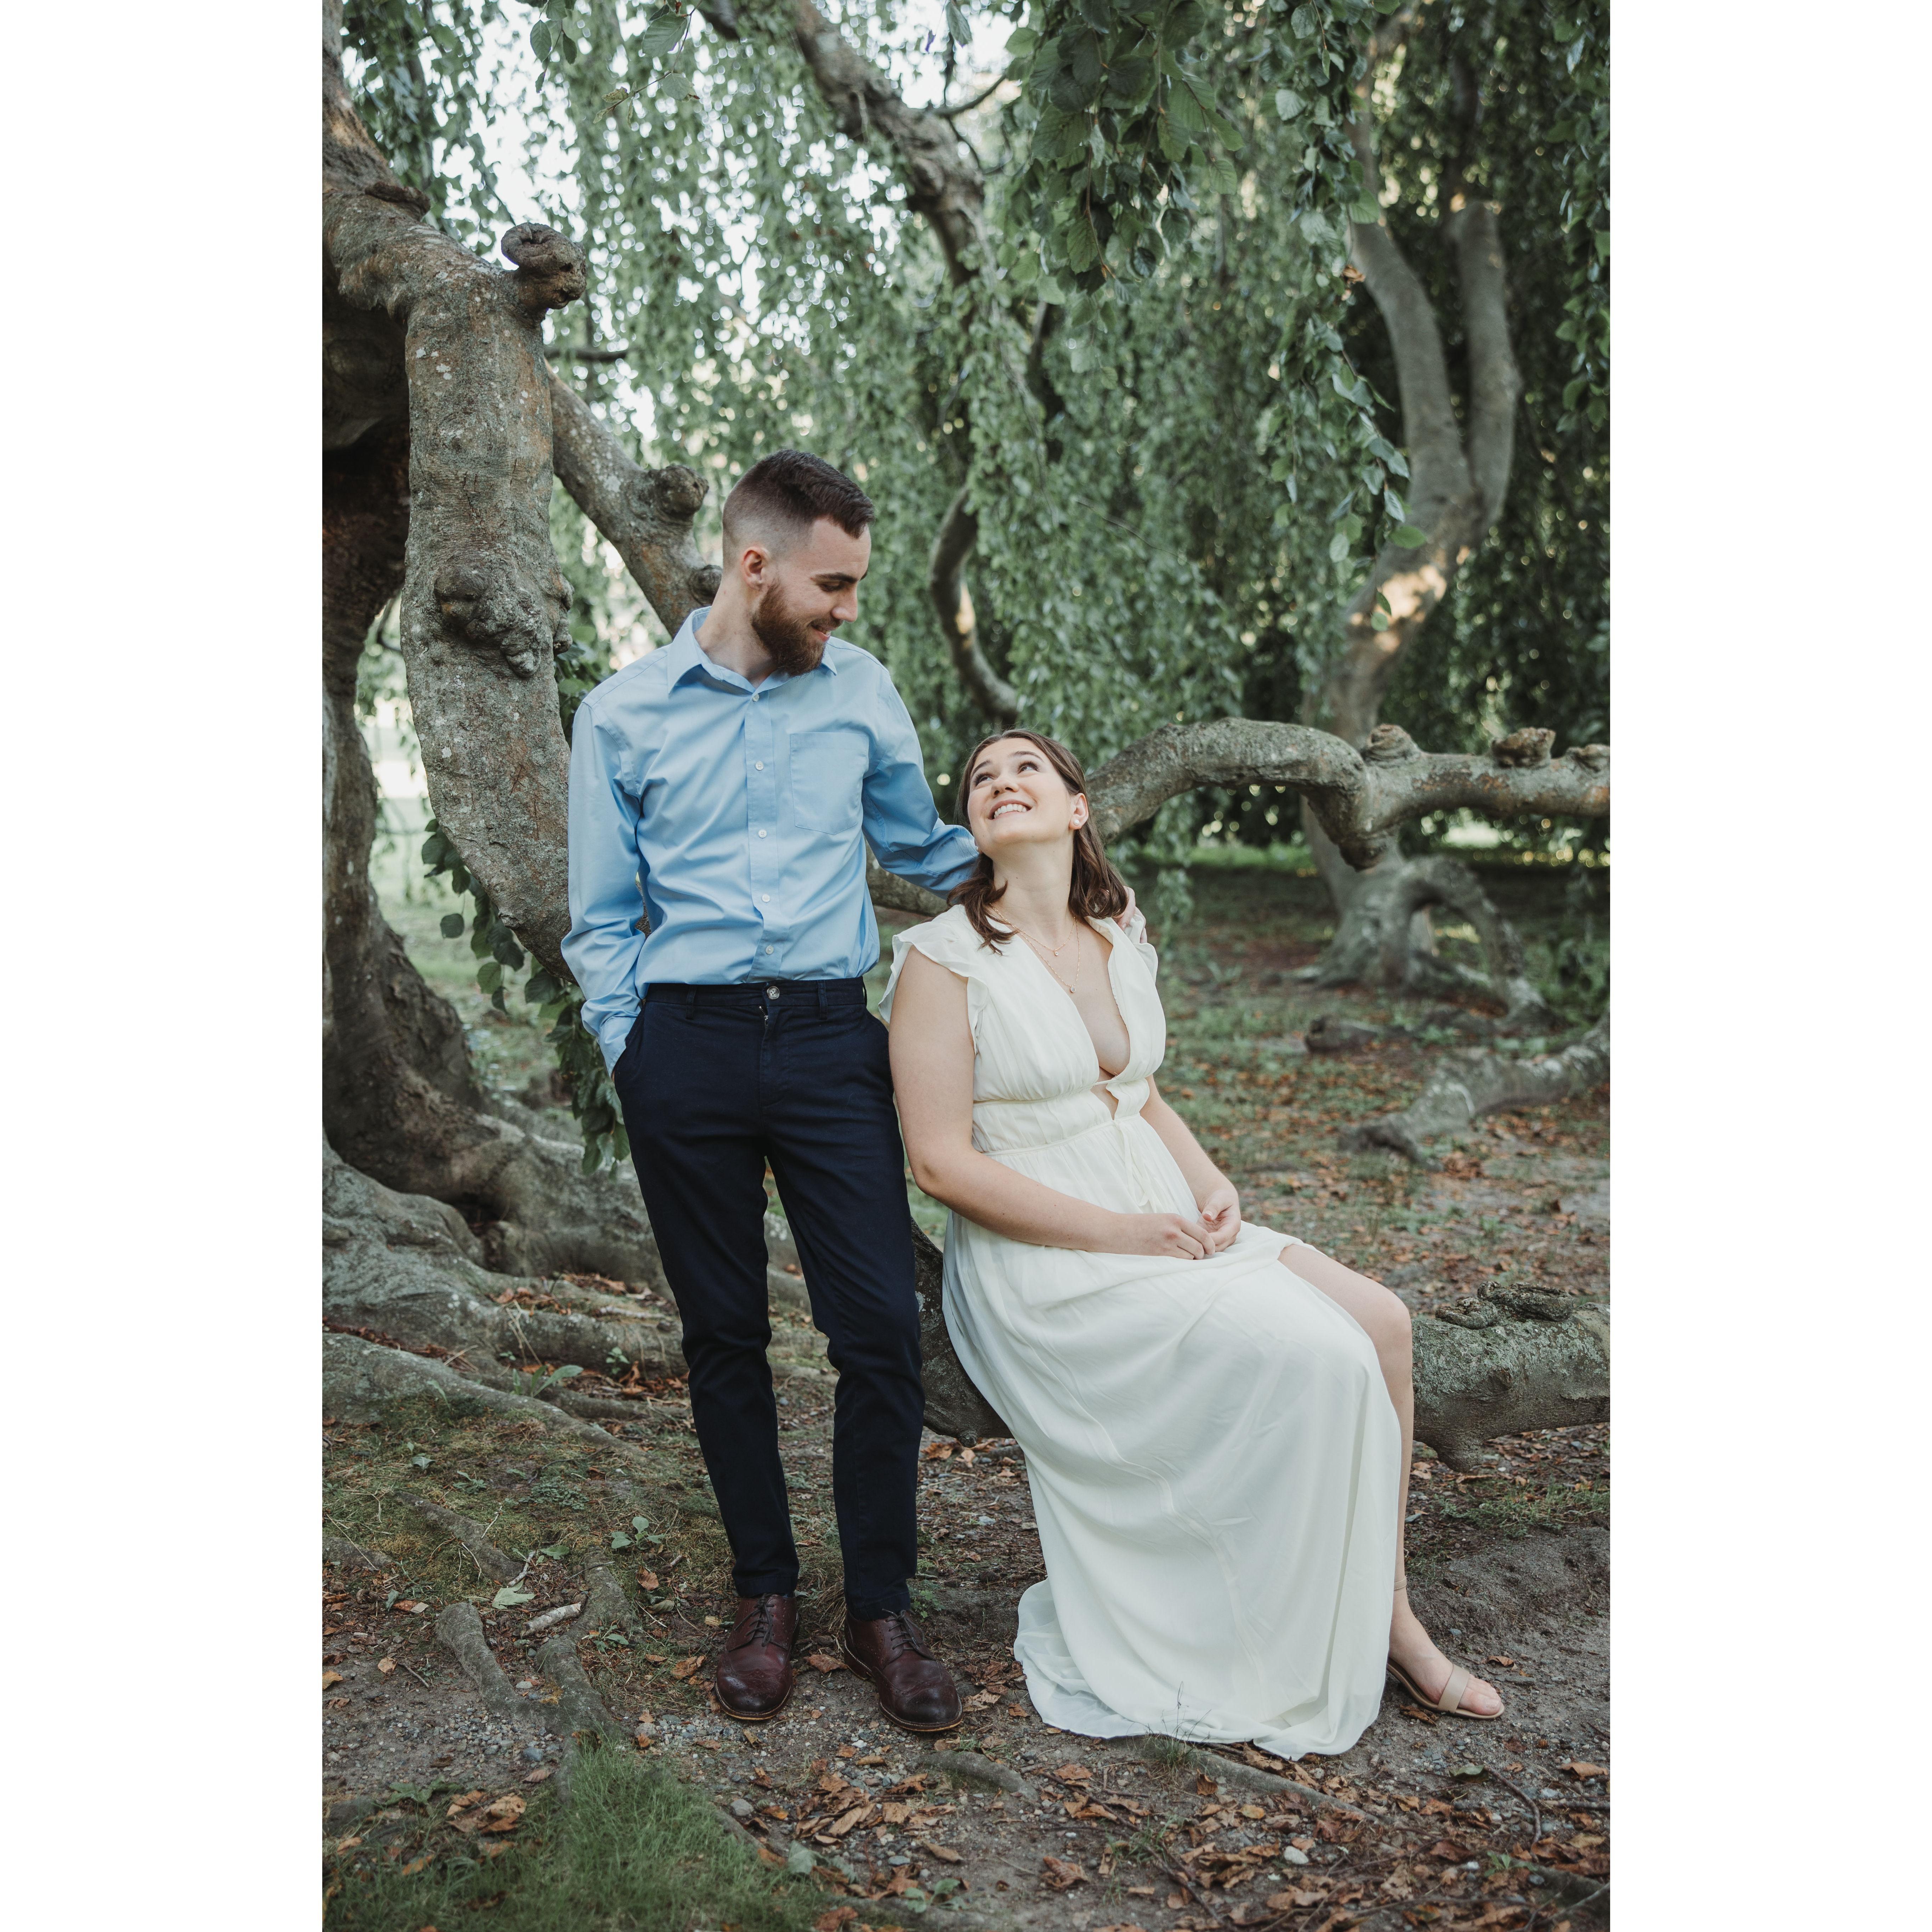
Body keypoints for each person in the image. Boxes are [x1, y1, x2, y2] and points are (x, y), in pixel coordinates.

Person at [882, 729, 1504, 1757]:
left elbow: (1141, 1095)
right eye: (982, 778)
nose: (1001, 782)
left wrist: (1211, 1182)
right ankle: (1274, 1610)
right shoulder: (941, 962)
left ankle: (1390, 1613)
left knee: (1385, 1324)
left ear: (1078, 807)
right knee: (1320, 1355)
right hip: (1051, 1257)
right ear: (974, 827)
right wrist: (1125, 1235)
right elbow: (941, 1165)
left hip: (1159, 1212)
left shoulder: (1118, 931)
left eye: (1027, 767)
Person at [563, 450, 977, 1733]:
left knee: (880, 1331)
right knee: (724, 1336)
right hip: (681, 1050)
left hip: (827, 1041)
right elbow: (600, 916)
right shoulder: (622, 716)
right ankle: (765, 1598)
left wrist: (1048, 859)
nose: (847, 610)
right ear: (756, 567)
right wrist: (633, 1047)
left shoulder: (862, 693)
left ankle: (881, 1608)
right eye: (833, 586)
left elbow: (918, 845)